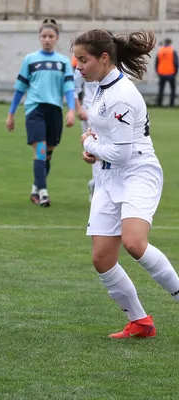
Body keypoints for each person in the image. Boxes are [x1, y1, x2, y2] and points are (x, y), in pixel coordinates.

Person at [74, 29, 179, 338]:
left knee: (134, 243)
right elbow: (107, 139)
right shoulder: (101, 86)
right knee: (102, 259)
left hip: (137, 172)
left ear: (104, 58)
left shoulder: (121, 95)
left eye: (83, 60)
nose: (78, 66)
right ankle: (139, 321)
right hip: (108, 176)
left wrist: (90, 146)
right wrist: (93, 147)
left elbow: (121, 154)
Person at [6, 18, 76, 207]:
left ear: (57, 38)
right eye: (44, 36)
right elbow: (20, 89)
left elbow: (69, 88)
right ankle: (43, 193)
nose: (47, 39)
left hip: (54, 110)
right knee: (40, 150)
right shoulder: (30, 60)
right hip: (35, 109)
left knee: (48, 155)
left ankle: (35, 188)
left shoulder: (63, 62)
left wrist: (71, 109)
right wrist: (11, 113)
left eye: (50, 36)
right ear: (39, 38)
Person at [73, 31, 112, 202]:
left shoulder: (115, 71)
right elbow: (73, 88)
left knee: (107, 149)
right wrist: (79, 108)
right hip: (90, 112)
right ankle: (98, 186)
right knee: (95, 151)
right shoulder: (84, 67)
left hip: (110, 114)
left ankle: (98, 185)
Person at [155, 38, 178, 107]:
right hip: (171, 73)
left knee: (161, 89)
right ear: (170, 43)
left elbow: (156, 63)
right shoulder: (172, 51)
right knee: (172, 89)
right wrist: (175, 72)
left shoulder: (160, 51)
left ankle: (159, 103)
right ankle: (171, 104)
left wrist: (158, 72)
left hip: (161, 73)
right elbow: (176, 63)